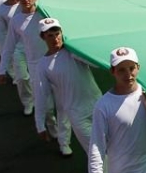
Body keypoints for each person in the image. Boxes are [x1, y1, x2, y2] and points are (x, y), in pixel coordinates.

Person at [0, 0, 71, 156]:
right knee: (46, 106)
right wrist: (2, 69)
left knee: (62, 104)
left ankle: (64, 142)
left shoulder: (45, 15)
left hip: (56, 63)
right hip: (36, 67)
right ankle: (51, 125)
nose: (26, 0)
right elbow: (9, 45)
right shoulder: (16, 20)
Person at [34, 18, 102, 155]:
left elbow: (96, 64)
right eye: (50, 36)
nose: (55, 39)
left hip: (99, 105)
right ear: (43, 37)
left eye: (57, 34)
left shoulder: (74, 51)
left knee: (113, 146)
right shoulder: (42, 65)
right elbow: (41, 94)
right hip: (77, 114)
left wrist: (77, 50)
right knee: (95, 152)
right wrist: (40, 124)